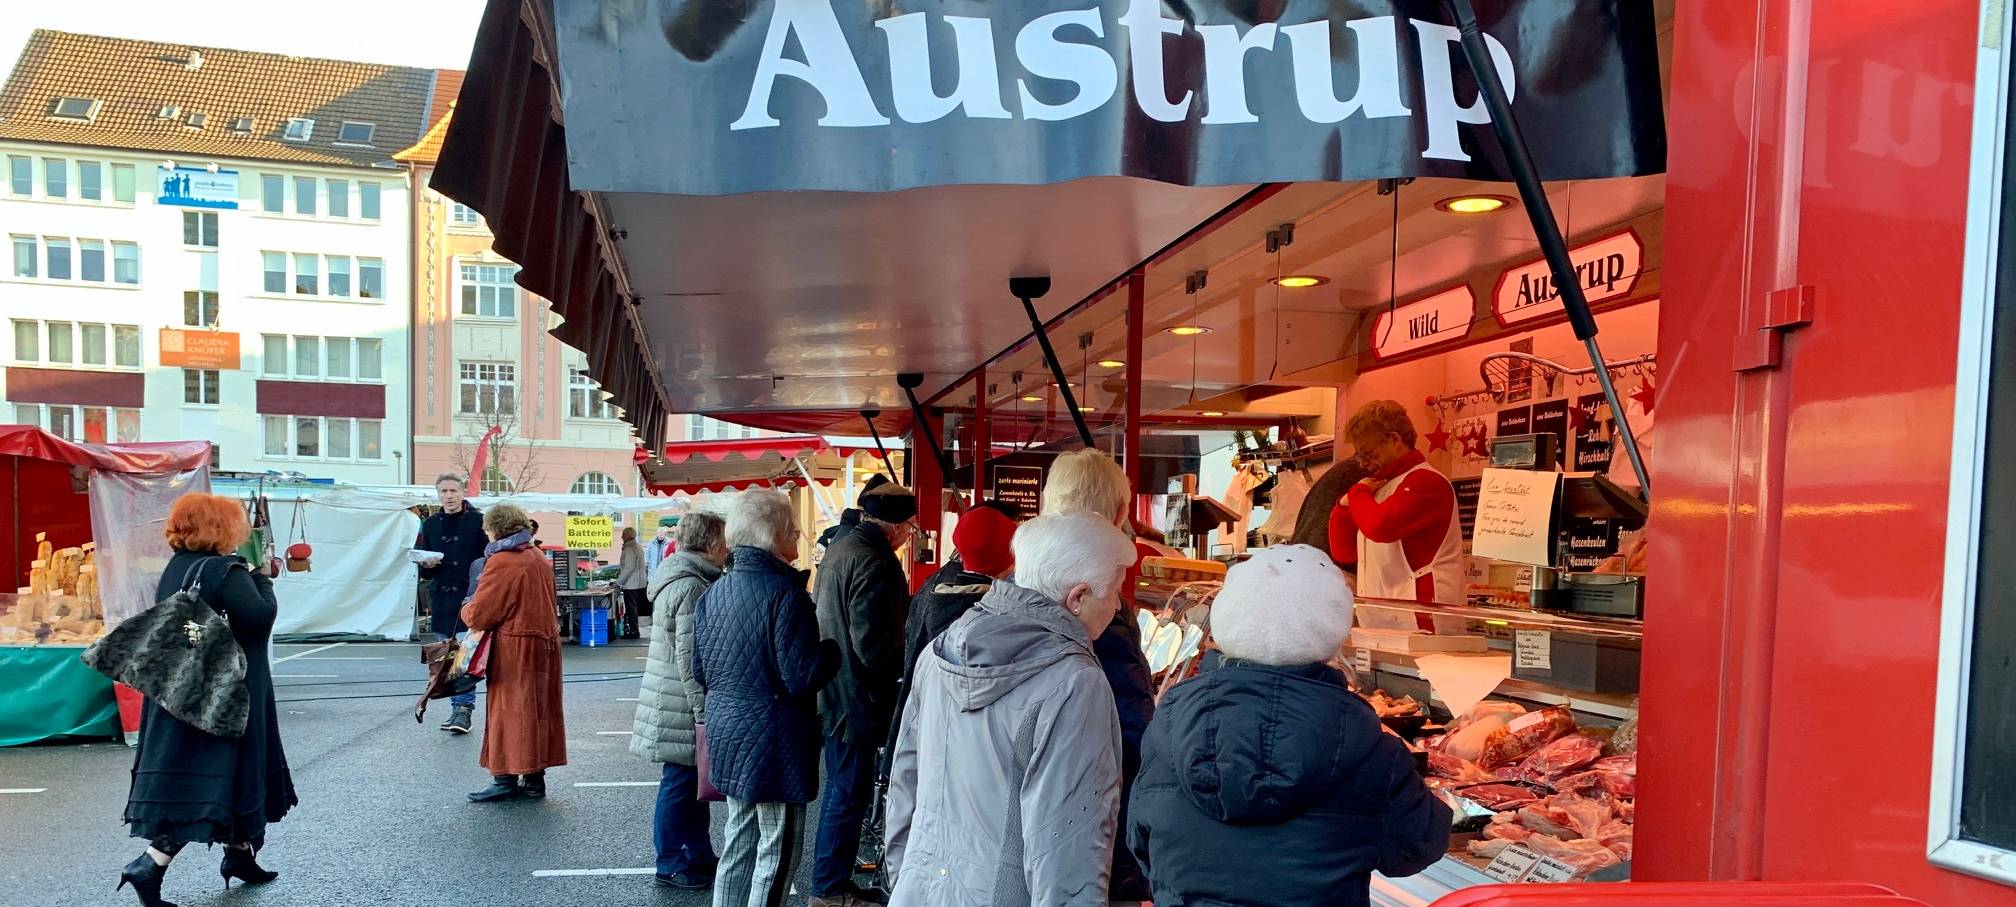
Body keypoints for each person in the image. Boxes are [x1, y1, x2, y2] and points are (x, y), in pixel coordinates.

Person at [1127, 545, 1452, 906]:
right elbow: (1418, 847)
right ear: (1332, 634)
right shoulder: (1374, 749)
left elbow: (1141, 843)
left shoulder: (1169, 725)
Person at [884, 512, 1136, 905]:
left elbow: (904, 787)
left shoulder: (939, 652)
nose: (1117, 604)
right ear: (1078, 598)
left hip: (920, 891)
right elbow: (1068, 853)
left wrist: (904, 880)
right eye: (1115, 592)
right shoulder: (1074, 682)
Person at [118, 493, 298, 907]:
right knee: (218, 775)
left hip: (186, 689)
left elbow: (187, 627)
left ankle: (240, 856)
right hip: (231, 691)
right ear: (222, 528)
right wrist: (262, 578)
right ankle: (149, 864)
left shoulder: (177, 566)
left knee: (213, 773)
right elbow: (258, 620)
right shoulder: (225, 569)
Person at [694, 489, 840, 907]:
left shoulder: (714, 592)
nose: (797, 537)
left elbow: (701, 671)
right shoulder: (786, 594)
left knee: (738, 841)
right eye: (792, 530)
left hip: (727, 731)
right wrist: (832, 651)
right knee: (777, 850)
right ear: (773, 537)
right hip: (776, 741)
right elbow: (801, 676)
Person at [1040, 448, 1156, 905]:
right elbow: (1128, 735)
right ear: (1119, 511)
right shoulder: (1098, 604)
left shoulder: (1018, 588)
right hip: (1092, 831)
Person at [809, 479, 916, 906]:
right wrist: (901, 671)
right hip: (857, 697)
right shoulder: (873, 560)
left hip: (837, 689)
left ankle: (832, 883)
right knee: (847, 793)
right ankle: (829, 888)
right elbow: (872, 644)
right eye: (910, 527)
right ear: (896, 526)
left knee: (843, 790)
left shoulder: (843, 547)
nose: (909, 536)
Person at [632, 511, 729, 891]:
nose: (728, 547)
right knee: (679, 782)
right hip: (681, 703)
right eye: (724, 539)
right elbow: (690, 659)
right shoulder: (692, 586)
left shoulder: (682, 577)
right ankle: (670, 862)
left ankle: (699, 854)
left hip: (670, 698)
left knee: (689, 782)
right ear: (711, 543)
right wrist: (702, 712)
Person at [459, 504, 567, 802]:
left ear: (496, 528)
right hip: (544, 645)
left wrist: (466, 608)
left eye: (487, 528)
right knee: (538, 712)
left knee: (508, 712)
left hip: (515, 648)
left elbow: (481, 615)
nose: (486, 534)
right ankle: (534, 779)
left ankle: (504, 777)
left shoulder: (503, 560)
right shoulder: (537, 556)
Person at [1343, 400, 1464, 604]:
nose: (1363, 463)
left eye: (1368, 453)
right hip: (1385, 610)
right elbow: (1344, 551)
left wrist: (1357, 494)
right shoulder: (1378, 486)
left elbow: (1380, 527)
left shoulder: (1427, 481)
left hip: (1424, 611)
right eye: (1359, 456)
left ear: (1395, 440)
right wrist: (1342, 508)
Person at [417, 473, 487, 733]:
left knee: (463, 657)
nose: (449, 496)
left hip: (469, 597)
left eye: (453, 491)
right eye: (444, 491)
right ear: (438, 495)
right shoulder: (430, 524)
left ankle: (463, 710)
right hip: (442, 599)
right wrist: (426, 565)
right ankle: (456, 710)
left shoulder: (479, 521)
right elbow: (423, 567)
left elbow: (488, 559)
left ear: (463, 492)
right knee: (445, 658)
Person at [620, 526, 648, 639]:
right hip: (640, 583)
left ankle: (634, 631)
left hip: (631, 584)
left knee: (631, 608)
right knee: (634, 608)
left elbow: (628, 568)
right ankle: (634, 630)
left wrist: (618, 582)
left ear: (628, 536)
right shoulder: (638, 547)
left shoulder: (629, 549)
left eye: (623, 535)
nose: (621, 537)